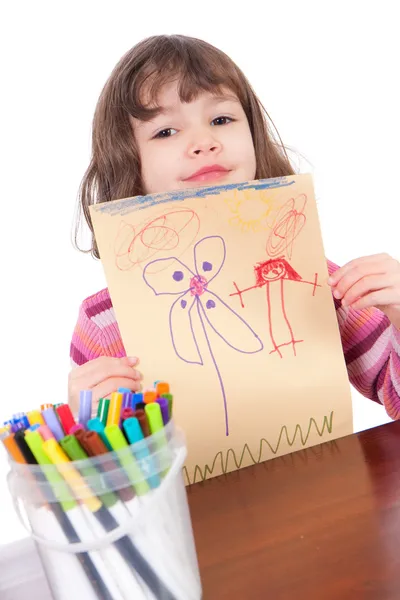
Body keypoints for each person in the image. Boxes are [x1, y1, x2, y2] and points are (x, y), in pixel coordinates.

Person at [69, 34, 400, 420]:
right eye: (165, 131)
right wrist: (89, 423)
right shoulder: (103, 322)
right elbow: (107, 472)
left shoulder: (313, 280)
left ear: (254, 137)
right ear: (129, 163)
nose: (204, 142)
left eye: (221, 119)